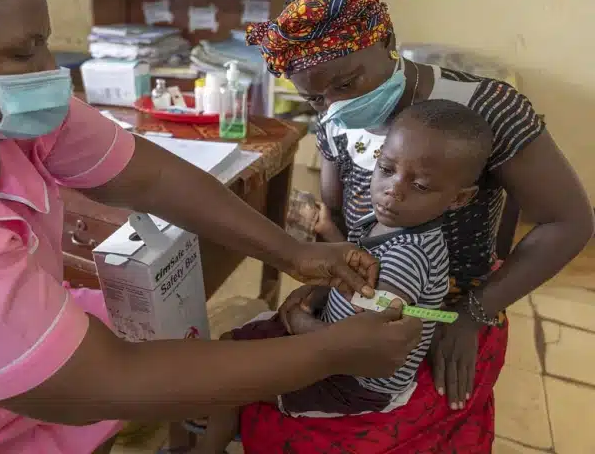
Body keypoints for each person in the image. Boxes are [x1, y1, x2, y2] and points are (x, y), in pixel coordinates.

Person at [0, 0, 425, 453]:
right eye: (23, 52)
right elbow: (99, 382)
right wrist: (331, 354)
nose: (50, 71)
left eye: (44, 43)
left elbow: (144, 174)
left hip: (24, 347)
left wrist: (290, 251)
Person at [235, 0, 594, 453]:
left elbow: (569, 221)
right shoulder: (335, 122)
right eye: (315, 99)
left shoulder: (486, 108)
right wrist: (325, 297)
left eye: (347, 82)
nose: (335, 106)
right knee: (248, 383)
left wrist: (473, 313)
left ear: (386, 42)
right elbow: (338, 223)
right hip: (355, 309)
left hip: (452, 316)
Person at [193, 100, 494, 454]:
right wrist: (317, 292)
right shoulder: (388, 220)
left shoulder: (408, 256)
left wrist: (302, 325)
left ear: (460, 198)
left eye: (422, 186)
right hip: (331, 341)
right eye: (387, 168)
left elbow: (370, 341)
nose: (394, 189)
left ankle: (205, 447)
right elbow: (357, 281)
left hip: (353, 381)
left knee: (235, 381)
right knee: (232, 345)